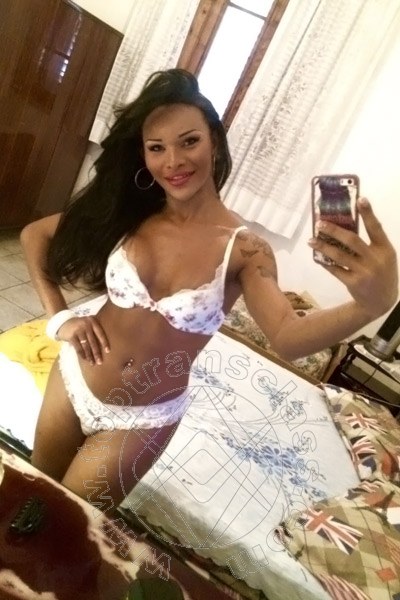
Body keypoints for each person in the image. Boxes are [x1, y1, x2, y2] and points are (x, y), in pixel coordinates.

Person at [20, 69, 398, 510]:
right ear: (143, 155)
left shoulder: (246, 249)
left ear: (214, 141)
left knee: (68, 519)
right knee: (28, 496)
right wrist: (61, 319)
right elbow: (34, 235)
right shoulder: (131, 212)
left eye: (189, 142)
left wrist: (369, 305)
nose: (173, 162)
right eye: (156, 148)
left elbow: (288, 337)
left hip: (141, 419)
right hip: (73, 378)